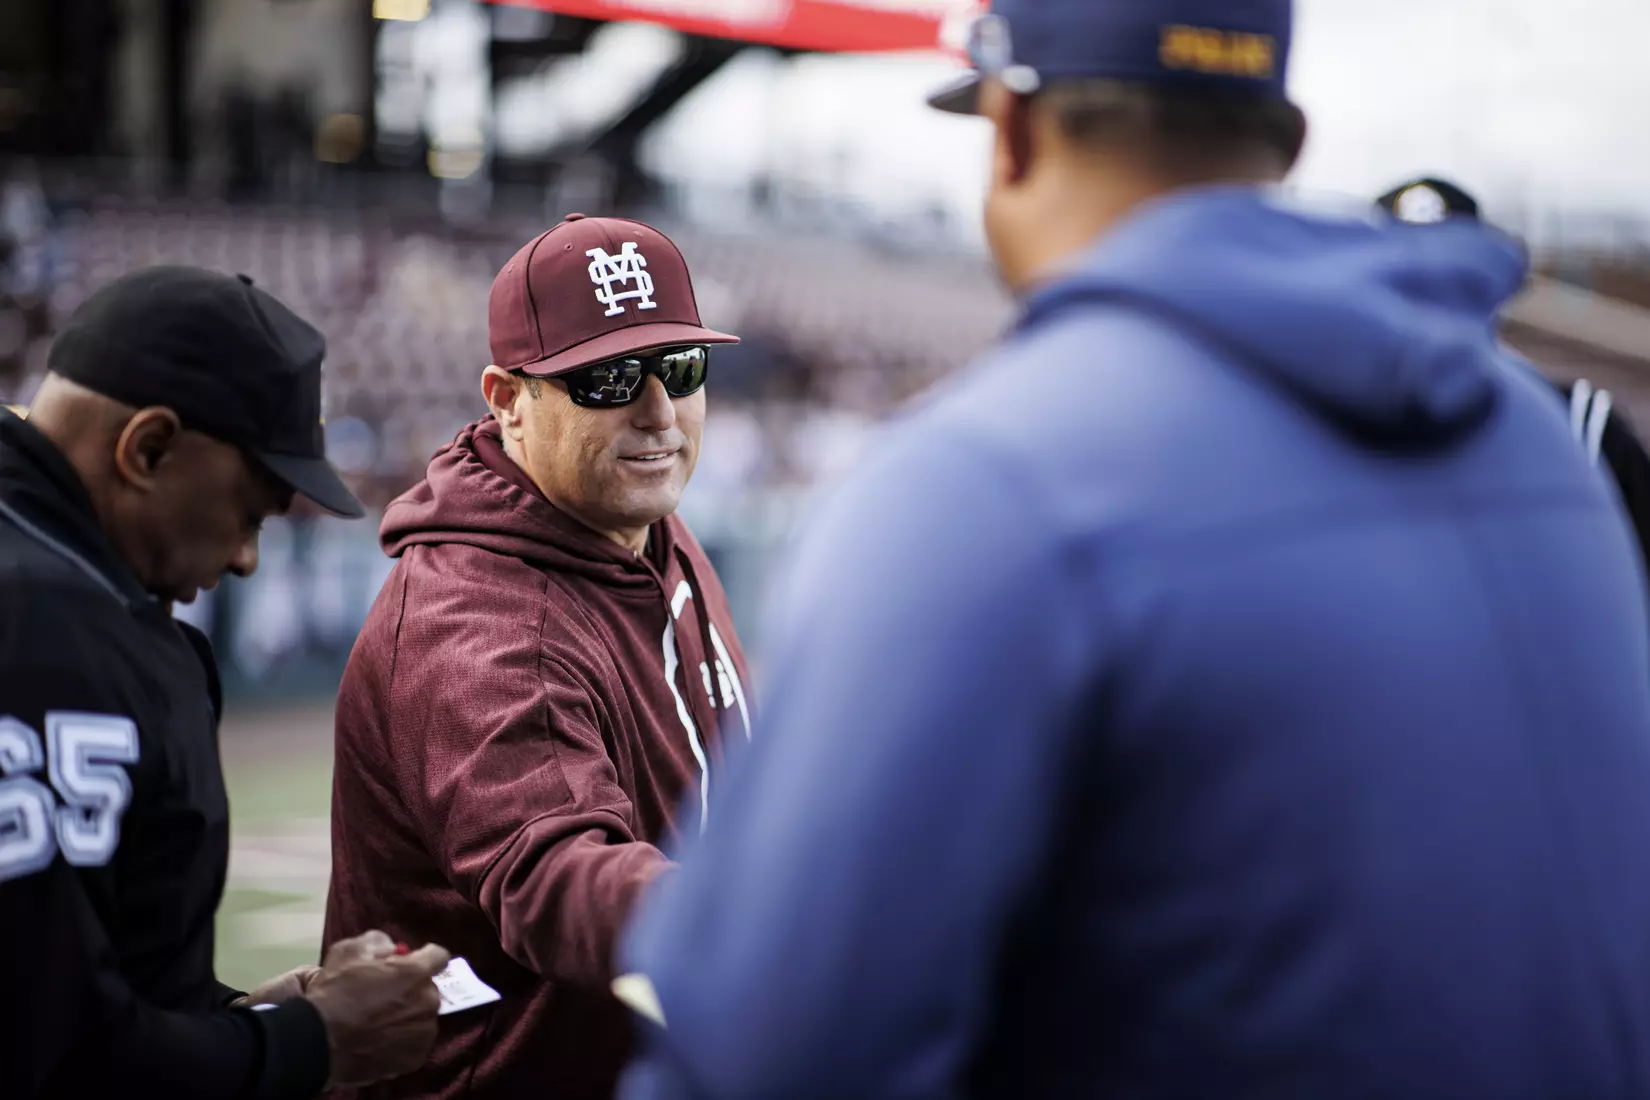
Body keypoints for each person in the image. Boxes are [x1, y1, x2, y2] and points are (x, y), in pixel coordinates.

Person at [617, 2, 1650, 1098]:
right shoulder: (1541, 436)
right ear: (1284, 140)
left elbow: (762, 1060)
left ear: (1011, 131)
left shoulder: (981, 478)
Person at [323, 213, 753, 1099]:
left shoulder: (646, 524)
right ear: (508, 399)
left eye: (680, 367)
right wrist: (768, 922)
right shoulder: (478, 615)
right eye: (607, 377)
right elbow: (554, 873)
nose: (659, 411)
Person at [0, 266, 452, 1099]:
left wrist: (249, 1022)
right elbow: (52, 1051)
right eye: (250, 512)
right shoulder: (44, 634)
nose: (246, 557)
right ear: (148, 449)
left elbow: (112, 981)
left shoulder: (74, 587)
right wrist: (304, 1048)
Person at [1377, 175, 1650, 579]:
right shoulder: (1308, 433)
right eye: (1403, 271)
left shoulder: (1582, 426)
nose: (1430, 295)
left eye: (1456, 273)